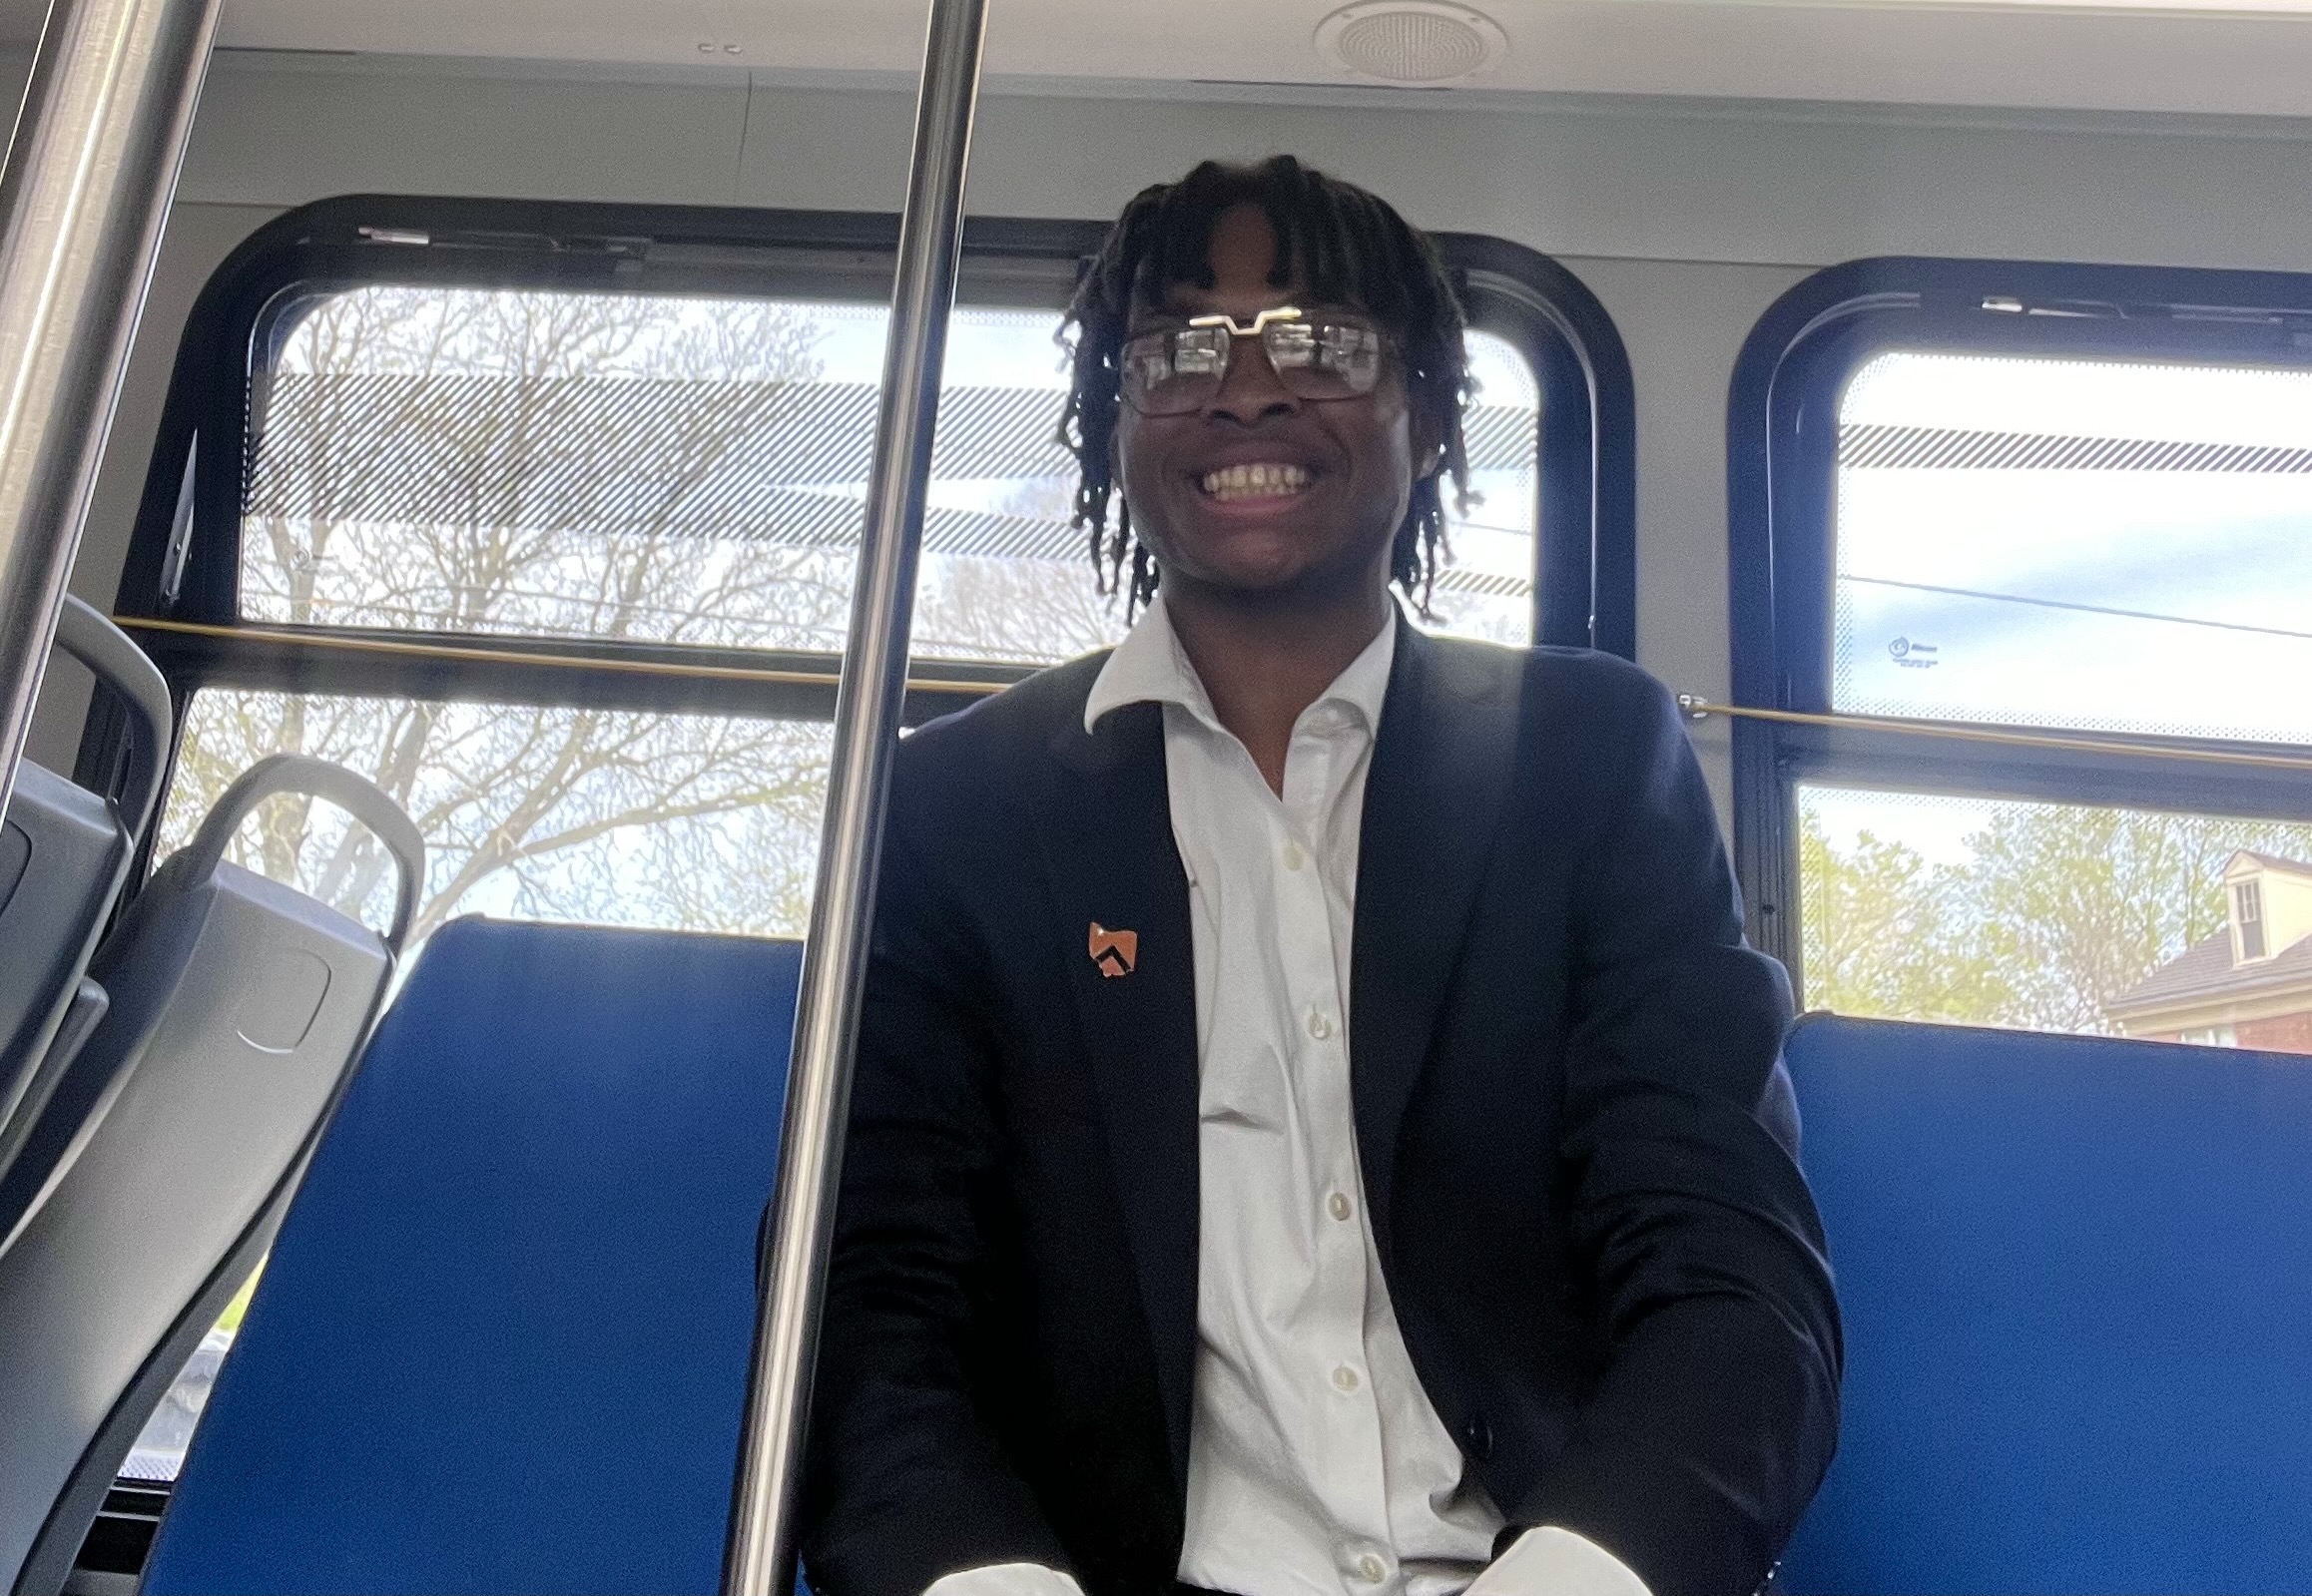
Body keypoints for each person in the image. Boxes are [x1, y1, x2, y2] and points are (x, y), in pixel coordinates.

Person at [799, 156, 1839, 1596]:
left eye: (1318, 340)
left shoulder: (1592, 765)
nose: (1246, 388)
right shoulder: (953, 810)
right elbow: (870, 1310)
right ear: (1115, 423)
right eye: (1179, 348)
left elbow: (1732, 1279)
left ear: (1423, 407)